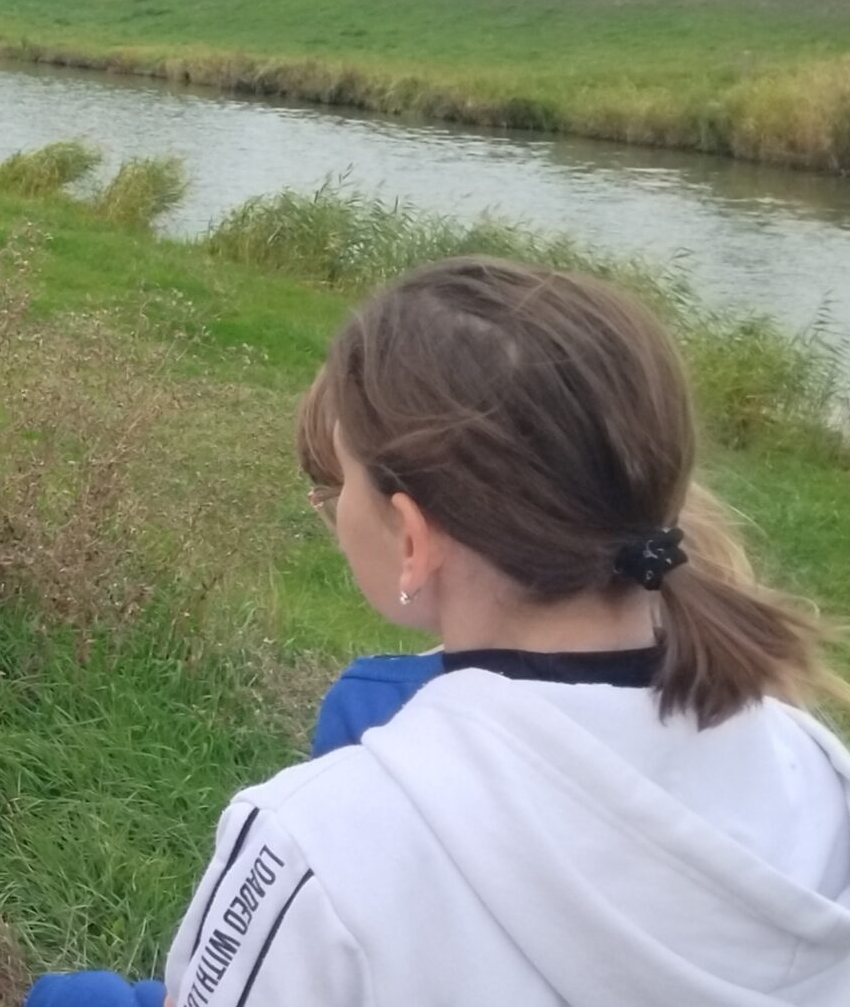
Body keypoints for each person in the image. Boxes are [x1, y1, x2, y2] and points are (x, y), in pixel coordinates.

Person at [50, 258, 850, 1007]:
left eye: (341, 483)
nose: (334, 511)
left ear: (412, 537)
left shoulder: (319, 844)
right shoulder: (814, 770)